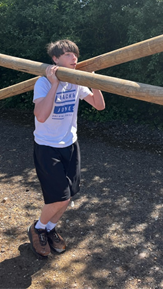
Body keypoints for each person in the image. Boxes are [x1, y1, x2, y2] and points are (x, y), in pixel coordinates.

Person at [27, 39, 105, 258]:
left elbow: (99, 105)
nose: (74, 58)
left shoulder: (77, 81)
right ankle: (37, 228)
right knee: (59, 198)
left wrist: (94, 80)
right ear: (55, 59)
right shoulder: (43, 82)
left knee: (68, 197)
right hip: (47, 147)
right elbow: (41, 115)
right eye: (68, 54)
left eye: (75, 54)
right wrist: (54, 84)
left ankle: (49, 229)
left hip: (70, 144)